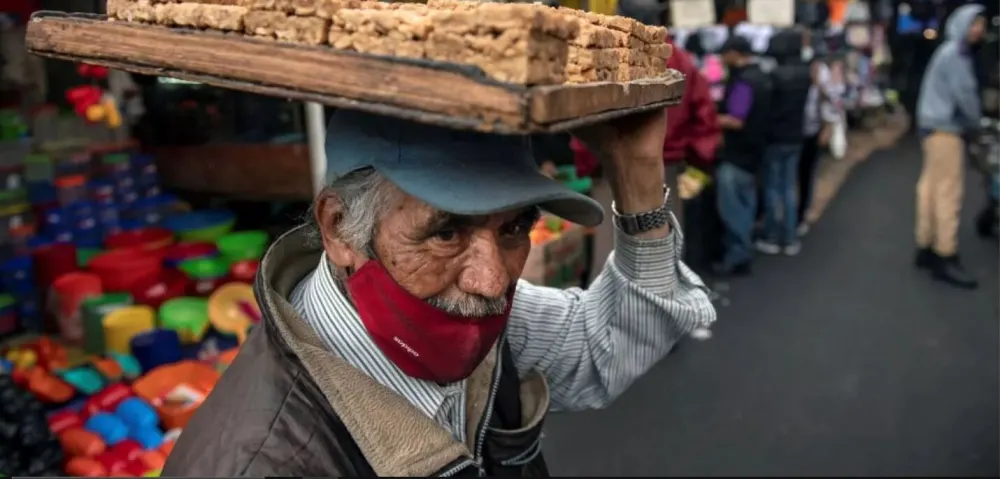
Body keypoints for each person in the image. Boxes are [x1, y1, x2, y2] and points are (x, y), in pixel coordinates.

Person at [161, 109, 717, 477]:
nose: (493, 281)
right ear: (337, 228)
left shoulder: (466, 316)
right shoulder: (266, 463)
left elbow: (609, 344)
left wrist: (639, 177)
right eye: (446, 232)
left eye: (514, 229)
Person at [572, 29, 719, 282]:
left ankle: (608, 312)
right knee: (663, 243)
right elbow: (703, 113)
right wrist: (698, 159)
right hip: (667, 165)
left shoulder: (606, 54)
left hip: (612, 165)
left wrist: (589, 160)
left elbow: (586, 115)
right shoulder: (681, 59)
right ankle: (662, 305)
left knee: (611, 245)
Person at [914, 3, 986, 290]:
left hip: (931, 127)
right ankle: (945, 255)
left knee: (929, 188)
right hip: (947, 129)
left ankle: (925, 246)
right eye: (974, 23)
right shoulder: (957, 55)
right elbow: (965, 95)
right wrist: (976, 122)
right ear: (962, 25)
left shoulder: (944, 51)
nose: (979, 29)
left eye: (982, 24)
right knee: (949, 193)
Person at [713, 35, 771, 276]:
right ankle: (743, 250)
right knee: (746, 203)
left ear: (735, 54)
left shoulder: (744, 82)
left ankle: (738, 256)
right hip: (755, 152)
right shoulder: (762, 77)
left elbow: (736, 119)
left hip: (736, 154)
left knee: (732, 208)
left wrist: (710, 119)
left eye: (725, 54)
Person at [755, 28, 812, 256]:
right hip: (795, 136)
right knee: (788, 188)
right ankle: (789, 237)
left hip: (774, 137)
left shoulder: (774, 75)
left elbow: (766, 107)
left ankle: (771, 234)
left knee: (771, 188)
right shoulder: (805, 73)